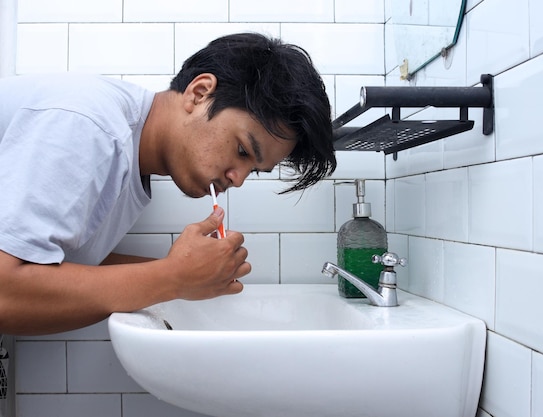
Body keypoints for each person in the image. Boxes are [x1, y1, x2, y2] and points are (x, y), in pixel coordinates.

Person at [0, 32, 336, 336]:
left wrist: (193, 272)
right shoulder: (91, 127)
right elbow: (6, 292)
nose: (239, 178)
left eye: (255, 170)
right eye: (242, 150)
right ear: (199, 93)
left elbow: (59, 266)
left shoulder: (127, 149)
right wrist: (174, 277)